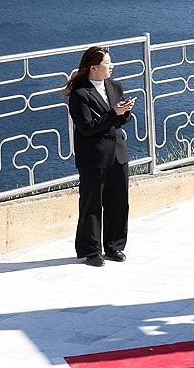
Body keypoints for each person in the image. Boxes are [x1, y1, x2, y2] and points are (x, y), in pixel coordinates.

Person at [65, 46, 134, 267]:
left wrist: (124, 112)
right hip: (93, 156)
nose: (112, 66)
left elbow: (120, 121)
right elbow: (86, 128)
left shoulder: (115, 86)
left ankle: (114, 246)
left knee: (118, 202)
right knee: (91, 204)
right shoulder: (79, 94)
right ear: (93, 67)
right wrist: (114, 113)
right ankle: (91, 250)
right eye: (107, 63)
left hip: (117, 152)